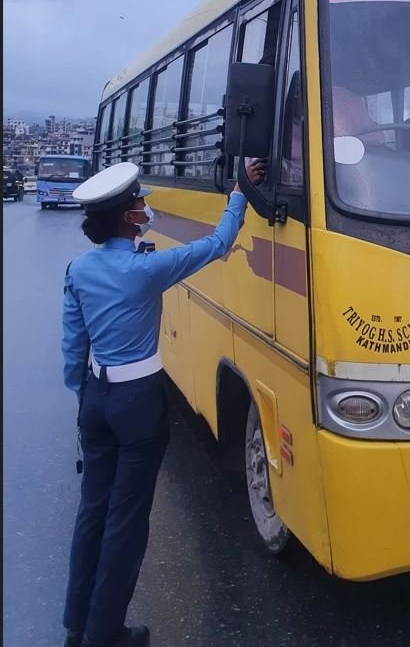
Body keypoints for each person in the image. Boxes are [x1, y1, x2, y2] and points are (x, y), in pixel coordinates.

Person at [62, 159, 265, 647]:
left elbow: (73, 344)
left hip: (96, 397)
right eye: (138, 202)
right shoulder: (145, 270)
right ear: (127, 218)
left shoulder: (80, 268)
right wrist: (239, 191)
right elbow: (218, 245)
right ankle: (105, 632)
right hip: (137, 402)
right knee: (126, 520)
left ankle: (76, 623)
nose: (145, 206)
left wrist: (84, 397)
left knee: (92, 511)